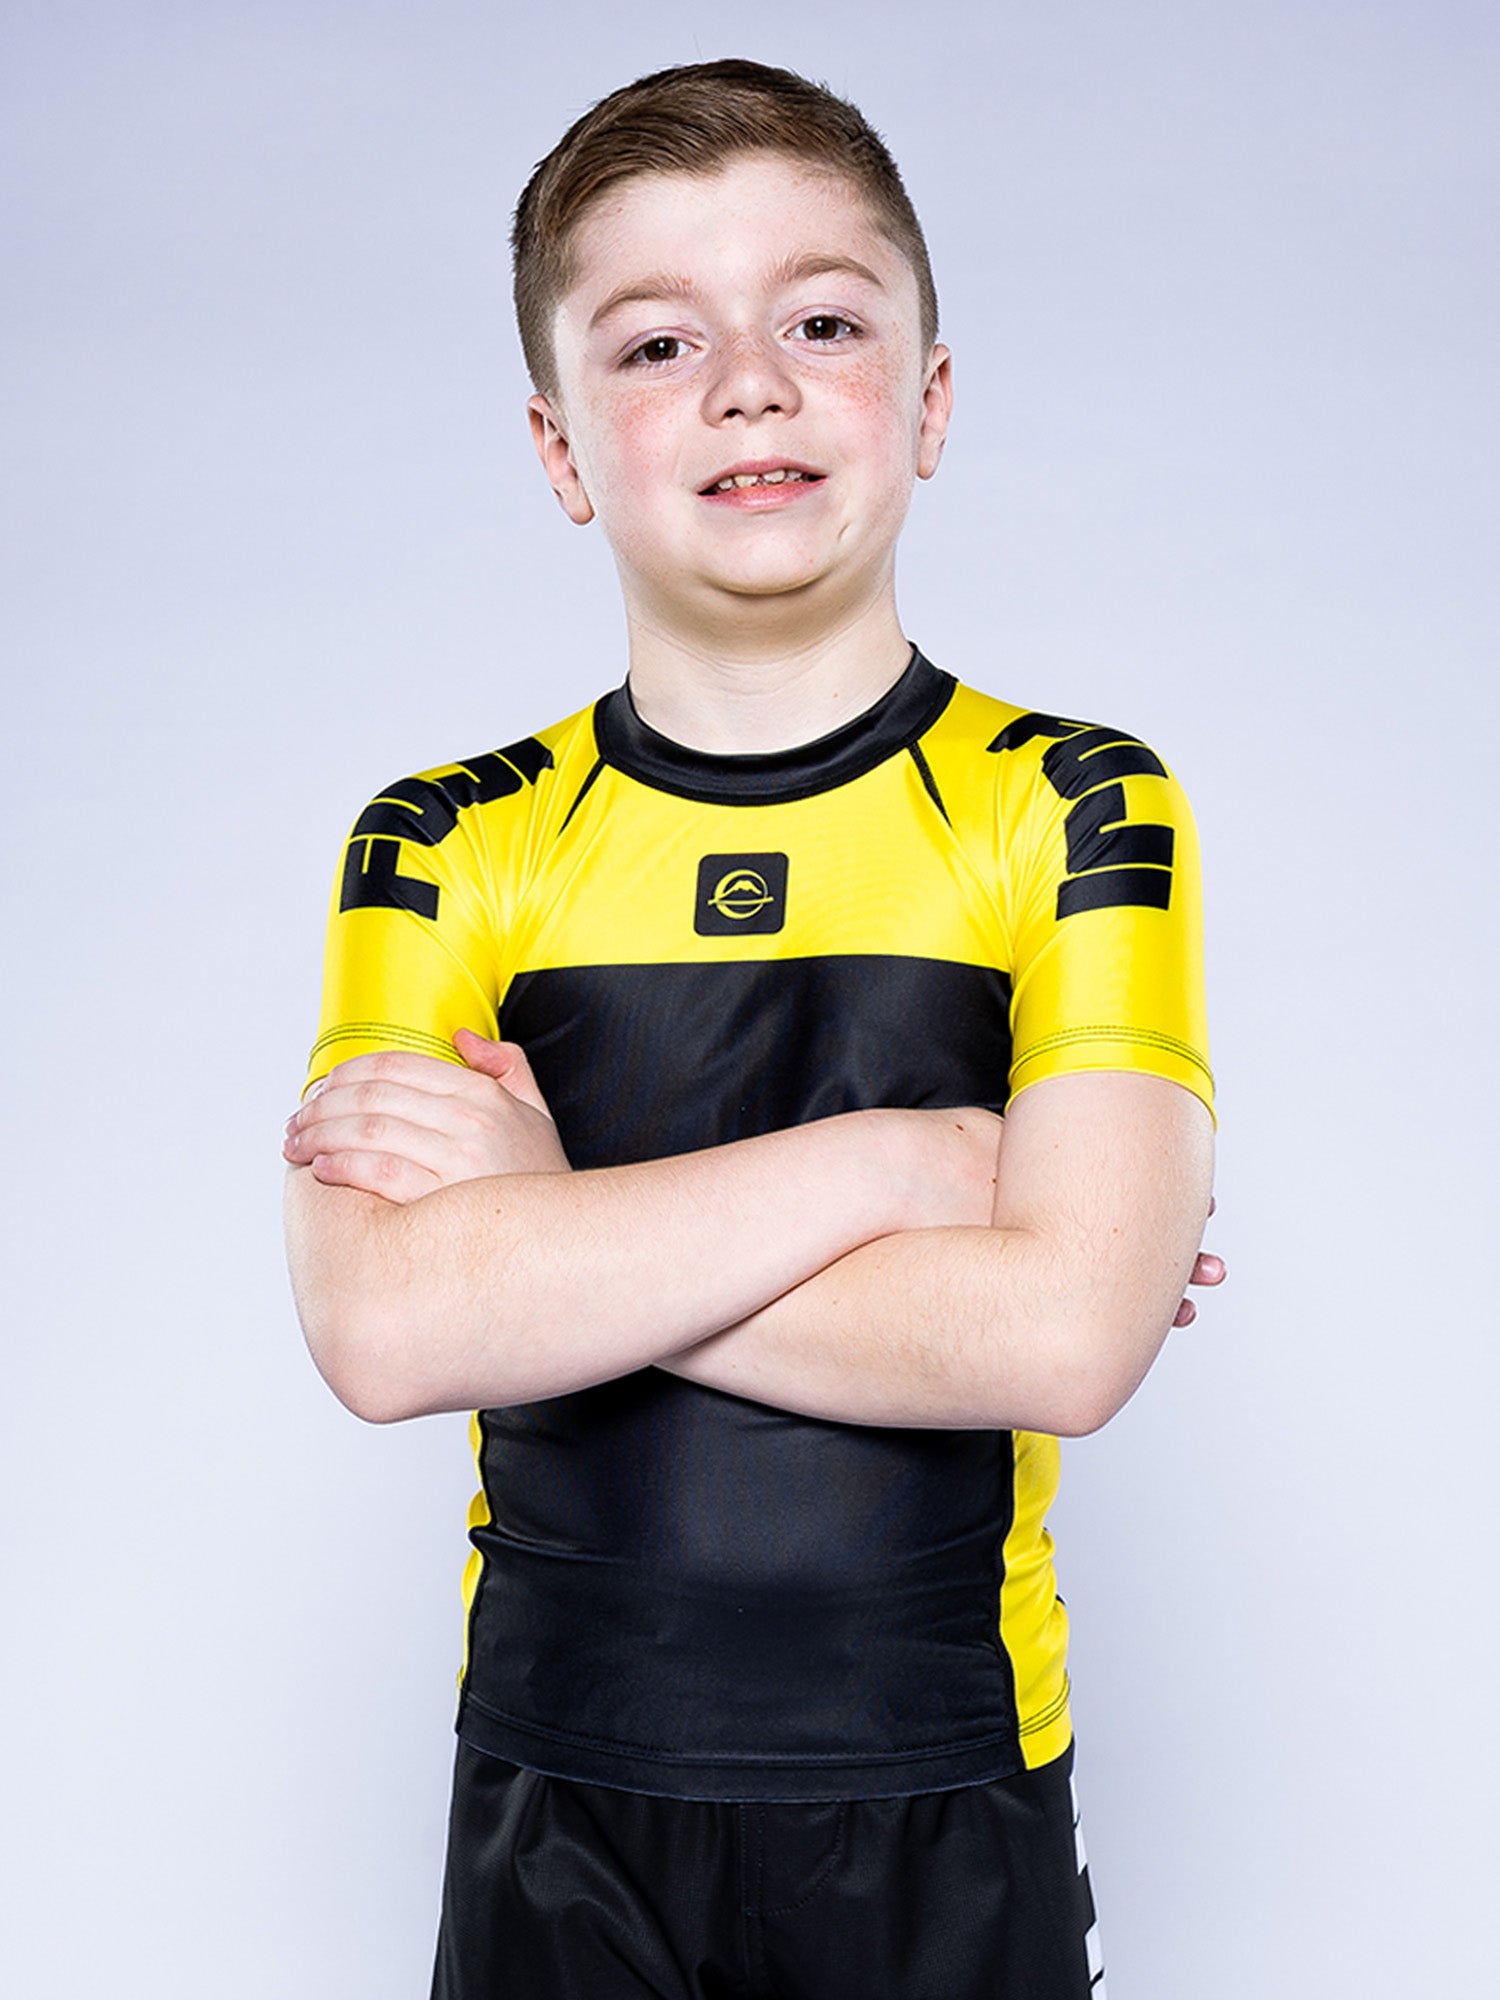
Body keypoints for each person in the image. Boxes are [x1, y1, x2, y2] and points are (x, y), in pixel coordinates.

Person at [283, 57, 1222, 2000]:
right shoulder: (447, 842)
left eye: (822, 319)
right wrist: (909, 1169)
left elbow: (1065, 1337)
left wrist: (551, 1233)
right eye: (656, 342)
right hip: (560, 1790)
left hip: (941, 1784)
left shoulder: (1075, 807)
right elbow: (386, 1331)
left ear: (930, 400)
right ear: (561, 451)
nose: (749, 383)